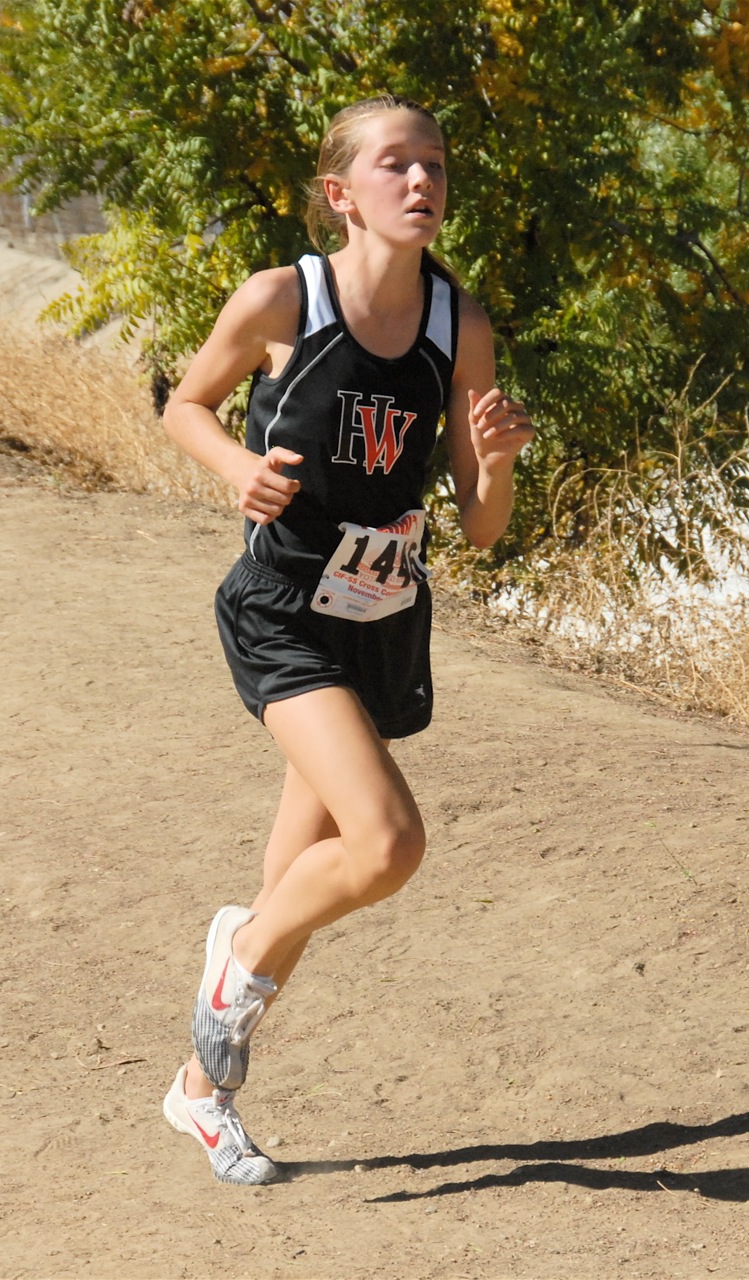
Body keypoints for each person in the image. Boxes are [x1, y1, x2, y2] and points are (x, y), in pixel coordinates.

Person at [161, 93, 535, 1184]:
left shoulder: (456, 324)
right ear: (341, 194)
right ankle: (232, 955)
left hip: (380, 621)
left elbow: (479, 525)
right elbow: (186, 404)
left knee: (294, 895)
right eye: (394, 165)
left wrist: (497, 461)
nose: (420, 182)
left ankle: (199, 1091)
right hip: (280, 610)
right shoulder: (286, 296)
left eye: (435, 166)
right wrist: (242, 470)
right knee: (384, 844)